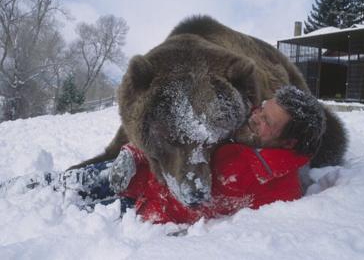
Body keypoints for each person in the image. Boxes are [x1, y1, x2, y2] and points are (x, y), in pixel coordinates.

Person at [0, 86, 326, 224]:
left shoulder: (283, 195)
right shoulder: (236, 123)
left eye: (267, 121)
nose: (255, 117)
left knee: (55, 218)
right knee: (55, 187)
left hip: (137, 211)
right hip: (131, 171)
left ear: (291, 143)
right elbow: (175, 135)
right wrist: (132, 152)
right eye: (261, 109)